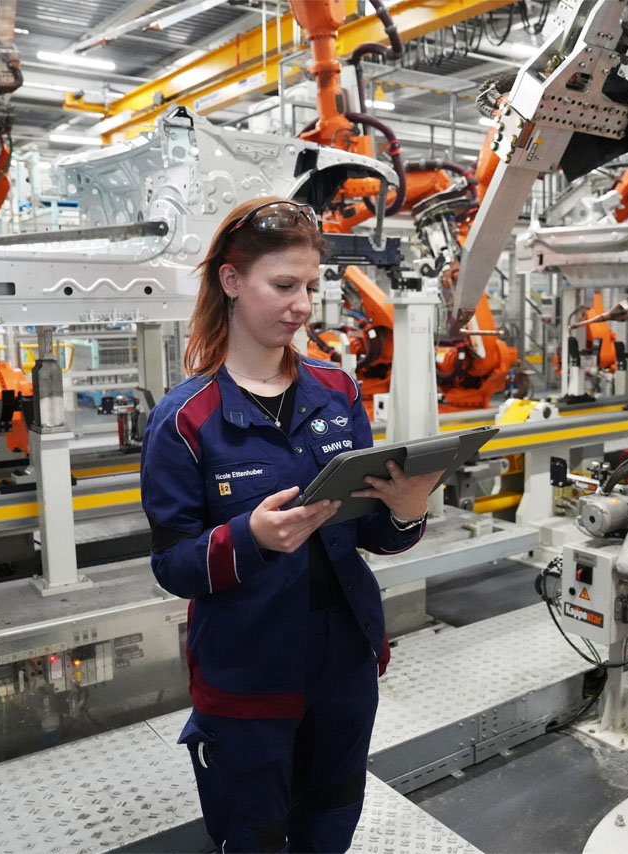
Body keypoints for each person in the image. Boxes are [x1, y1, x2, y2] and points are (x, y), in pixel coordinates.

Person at [139, 195, 443, 853]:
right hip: (248, 671)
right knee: (253, 832)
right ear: (230, 281)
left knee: (332, 813)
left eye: (310, 285)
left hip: (345, 661)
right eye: (284, 285)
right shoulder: (186, 420)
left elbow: (369, 533)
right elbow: (172, 563)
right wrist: (248, 538)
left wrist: (406, 510)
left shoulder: (337, 392)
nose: (303, 304)